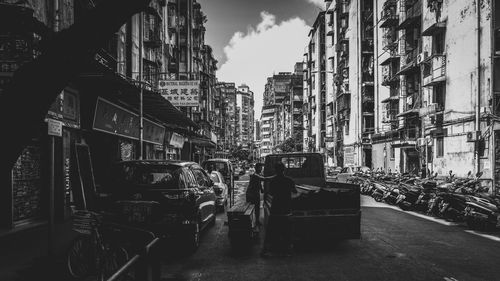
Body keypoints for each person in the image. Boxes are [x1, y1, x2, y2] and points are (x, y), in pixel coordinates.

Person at [261, 162, 298, 258]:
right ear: (284, 170)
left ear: (275, 170)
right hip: (286, 209)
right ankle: (287, 251)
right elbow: (295, 192)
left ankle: (268, 250)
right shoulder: (289, 181)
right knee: (287, 231)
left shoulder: (273, 181)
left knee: (272, 230)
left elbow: (271, 193)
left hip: (276, 208)